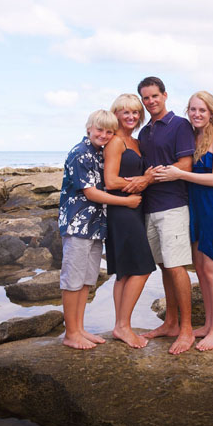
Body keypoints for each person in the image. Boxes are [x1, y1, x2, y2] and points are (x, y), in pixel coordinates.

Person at [154, 91, 213, 351]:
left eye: (202, 110)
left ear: (211, 112)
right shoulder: (192, 136)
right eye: (192, 110)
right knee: (200, 269)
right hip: (195, 208)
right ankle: (208, 325)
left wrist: (180, 174)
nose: (197, 114)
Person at [121, 76, 195, 355]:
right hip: (150, 208)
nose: (150, 101)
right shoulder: (144, 133)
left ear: (165, 95)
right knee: (165, 266)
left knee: (177, 267)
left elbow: (184, 164)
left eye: (155, 96)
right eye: (146, 98)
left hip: (174, 205)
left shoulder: (180, 125)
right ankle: (171, 323)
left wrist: (145, 180)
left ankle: (186, 330)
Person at [58, 109, 141, 350]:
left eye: (109, 132)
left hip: (95, 226)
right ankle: (70, 333)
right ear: (89, 128)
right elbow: (91, 192)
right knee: (72, 280)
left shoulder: (98, 153)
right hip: (77, 225)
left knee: (86, 281)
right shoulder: (80, 154)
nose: (104, 135)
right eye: (99, 130)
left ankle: (80, 328)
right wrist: (127, 201)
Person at [103, 93, 156, 349]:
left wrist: (146, 179)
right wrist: (137, 184)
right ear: (116, 114)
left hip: (135, 209)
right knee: (142, 267)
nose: (131, 116)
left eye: (135, 112)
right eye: (126, 112)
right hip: (122, 211)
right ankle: (123, 326)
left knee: (124, 273)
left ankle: (120, 326)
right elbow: (110, 181)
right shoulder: (115, 142)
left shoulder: (135, 141)